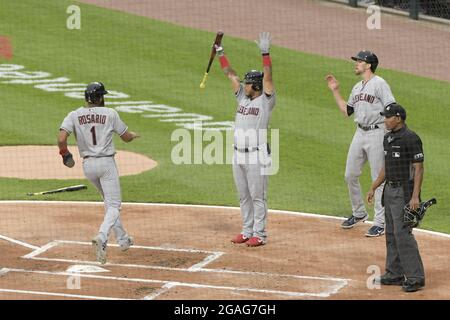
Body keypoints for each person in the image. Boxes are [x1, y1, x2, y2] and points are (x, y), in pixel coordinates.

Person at [58, 82, 139, 264]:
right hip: (106, 164)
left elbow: (61, 138)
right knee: (114, 205)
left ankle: (123, 239)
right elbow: (125, 137)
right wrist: (133, 135)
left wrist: (65, 155)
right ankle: (102, 236)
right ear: (101, 98)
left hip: (88, 166)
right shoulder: (110, 113)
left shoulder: (74, 114)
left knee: (108, 201)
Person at [326, 50, 396, 237]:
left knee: (378, 179)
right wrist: (335, 90)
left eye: (359, 61)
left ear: (369, 65)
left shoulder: (380, 84)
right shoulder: (357, 87)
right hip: (360, 133)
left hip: (377, 133)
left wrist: (390, 134)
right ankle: (359, 213)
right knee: (350, 174)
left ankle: (380, 222)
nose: (356, 63)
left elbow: (391, 108)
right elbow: (347, 111)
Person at [215, 32, 276, 247]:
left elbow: (268, 77)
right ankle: (246, 230)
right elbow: (230, 74)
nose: (244, 85)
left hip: (257, 155)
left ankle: (260, 234)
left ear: (256, 86)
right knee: (243, 196)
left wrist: (265, 53)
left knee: (257, 196)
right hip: (238, 153)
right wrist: (220, 51)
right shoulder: (242, 97)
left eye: (248, 83)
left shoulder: (266, 102)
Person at [367, 103, 425, 292]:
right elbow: (386, 166)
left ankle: (416, 277)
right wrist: (374, 186)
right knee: (391, 232)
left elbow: (418, 168)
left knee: (403, 233)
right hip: (389, 191)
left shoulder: (411, 138)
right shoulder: (388, 138)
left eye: (388, 117)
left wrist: (415, 196)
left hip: (404, 191)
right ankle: (394, 273)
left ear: (398, 118)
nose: (385, 120)